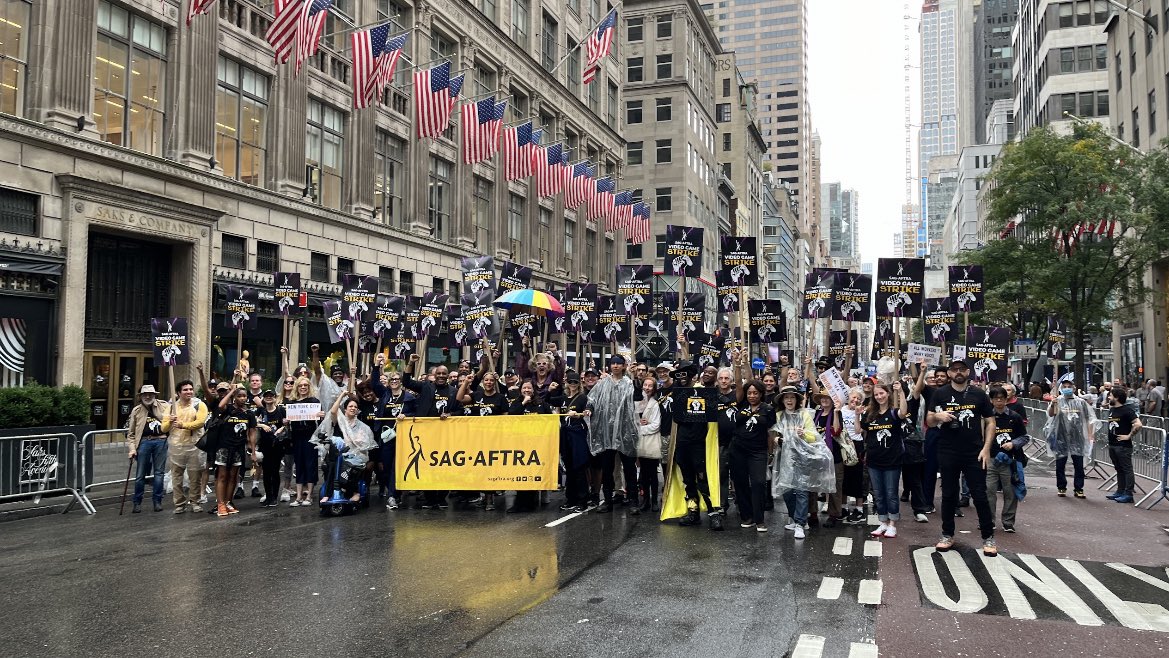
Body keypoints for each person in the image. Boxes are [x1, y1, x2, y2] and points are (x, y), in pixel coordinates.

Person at [926, 358, 998, 556]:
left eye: (962, 369)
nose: (958, 372)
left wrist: (986, 449)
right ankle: (947, 534)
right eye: (954, 369)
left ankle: (988, 537)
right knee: (949, 494)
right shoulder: (940, 393)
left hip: (974, 452)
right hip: (947, 450)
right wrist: (938, 417)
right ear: (949, 373)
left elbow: (991, 422)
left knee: (980, 495)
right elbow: (929, 421)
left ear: (968, 372)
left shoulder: (979, 394)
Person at [666, 360, 723, 530]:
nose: (681, 378)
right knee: (688, 480)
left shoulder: (704, 392)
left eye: (684, 374)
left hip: (699, 444)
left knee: (703, 479)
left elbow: (711, 415)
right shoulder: (678, 393)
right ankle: (693, 512)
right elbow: (677, 418)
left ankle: (714, 513)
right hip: (683, 443)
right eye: (678, 374)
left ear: (691, 374)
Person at [403, 354, 461, 509]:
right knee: (426, 464)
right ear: (434, 376)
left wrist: (450, 415)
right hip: (426, 435)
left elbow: (460, 411)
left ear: (448, 376)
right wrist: (410, 363)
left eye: (444, 374)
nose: (441, 376)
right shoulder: (425, 387)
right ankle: (429, 498)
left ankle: (441, 498)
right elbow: (406, 381)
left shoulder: (453, 391)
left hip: (445, 436)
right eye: (439, 374)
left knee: (444, 465)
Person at [585, 355, 638, 513]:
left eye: (618, 364)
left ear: (624, 366)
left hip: (625, 433)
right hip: (607, 434)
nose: (615, 366)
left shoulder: (629, 383)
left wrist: (634, 377)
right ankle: (607, 501)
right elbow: (592, 399)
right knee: (607, 469)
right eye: (613, 363)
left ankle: (633, 502)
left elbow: (638, 397)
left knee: (629, 469)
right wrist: (589, 409)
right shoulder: (602, 384)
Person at [772, 385, 821, 539]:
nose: (789, 400)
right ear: (782, 400)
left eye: (792, 397)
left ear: (797, 400)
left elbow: (814, 437)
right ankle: (794, 517)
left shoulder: (804, 415)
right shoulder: (778, 415)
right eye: (786, 397)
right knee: (786, 491)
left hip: (801, 458)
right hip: (783, 459)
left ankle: (800, 523)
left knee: (801, 490)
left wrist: (804, 434)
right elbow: (773, 435)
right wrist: (777, 439)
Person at [862, 381, 908, 538]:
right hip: (874, 460)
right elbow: (858, 429)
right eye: (876, 394)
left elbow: (903, 412)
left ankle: (892, 524)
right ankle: (882, 522)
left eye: (882, 393)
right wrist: (856, 414)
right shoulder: (871, 414)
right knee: (878, 494)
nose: (879, 396)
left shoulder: (894, 413)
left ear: (888, 394)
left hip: (892, 461)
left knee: (891, 493)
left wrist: (901, 391)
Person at [730, 380, 777, 531]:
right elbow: (738, 385)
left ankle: (759, 519)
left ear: (761, 394)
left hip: (758, 451)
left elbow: (771, 432)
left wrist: (771, 452)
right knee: (740, 483)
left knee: (758, 483)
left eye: (755, 393)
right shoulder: (740, 405)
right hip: (738, 450)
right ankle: (746, 516)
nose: (752, 396)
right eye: (749, 393)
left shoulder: (768, 409)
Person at [319, 389, 377, 504]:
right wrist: (342, 395)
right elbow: (333, 412)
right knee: (332, 465)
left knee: (354, 466)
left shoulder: (362, 427)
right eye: (350, 406)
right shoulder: (339, 422)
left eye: (355, 407)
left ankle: (355, 492)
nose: (353, 408)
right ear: (345, 409)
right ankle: (328, 494)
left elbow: (366, 442)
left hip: (354, 455)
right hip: (337, 454)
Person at [1047, 373, 1097, 498]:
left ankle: (1079, 488)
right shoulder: (1057, 401)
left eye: (1069, 386)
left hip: (1077, 437)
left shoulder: (1081, 402)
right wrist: (1053, 404)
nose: (1067, 388)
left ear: (1074, 388)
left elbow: (1089, 418)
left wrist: (1090, 435)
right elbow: (1051, 414)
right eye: (1065, 386)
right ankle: (1061, 487)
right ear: (1061, 388)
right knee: (1060, 464)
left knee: (1078, 464)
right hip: (1061, 436)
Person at [506, 381, 553, 512]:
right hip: (520, 443)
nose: (527, 390)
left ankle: (530, 502)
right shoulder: (516, 402)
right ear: (521, 390)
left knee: (533, 473)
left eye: (529, 388)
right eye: (524, 388)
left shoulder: (541, 403)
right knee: (521, 474)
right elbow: (512, 416)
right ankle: (519, 503)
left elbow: (550, 420)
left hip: (537, 444)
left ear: (533, 390)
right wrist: (523, 403)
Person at [987, 385, 1029, 532]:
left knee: (1010, 492)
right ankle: (988, 520)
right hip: (990, 459)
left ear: (1006, 400)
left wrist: (1013, 443)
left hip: (1010, 460)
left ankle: (1008, 522)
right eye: (996, 399)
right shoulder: (986, 417)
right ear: (991, 400)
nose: (999, 401)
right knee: (989, 491)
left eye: (1002, 399)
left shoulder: (1014, 416)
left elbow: (1024, 437)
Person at [214, 384, 258, 518]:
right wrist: (231, 390)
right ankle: (220, 503)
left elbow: (251, 433)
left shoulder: (249, 414)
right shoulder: (228, 409)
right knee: (222, 476)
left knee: (234, 476)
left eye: (244, 396)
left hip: (239, 448)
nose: (242, 398)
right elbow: (220, 406)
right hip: (224, 447)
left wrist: (253, 451)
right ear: (234, 397)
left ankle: (228, 502)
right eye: (239, 396)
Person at [127, 384, 172, 513]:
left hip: (160, 441)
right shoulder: (136, 411)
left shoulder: (164, 407)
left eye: (150, 394)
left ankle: (157, 501)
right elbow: (131, 434)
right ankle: (137, 502)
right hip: (144, 443)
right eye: (145, 394)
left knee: (159, 473)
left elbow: (173, 420)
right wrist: (132, 448)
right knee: (140, 475)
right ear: (140, 396)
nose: (148, 396)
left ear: (155, 395)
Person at [167, 380, 208, 514]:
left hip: (194, 445)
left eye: (190, 389)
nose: (189, 391)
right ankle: (179, 504)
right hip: (176, 446)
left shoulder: (199, 405)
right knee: (176, 477)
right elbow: (163, 427)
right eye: (185, 390)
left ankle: (195, 502)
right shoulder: (171, 406)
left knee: (195, 476)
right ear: (178, 393)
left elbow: (200, 422)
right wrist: (170, 422)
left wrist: (183, 425)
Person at [284, 376, 323, 507]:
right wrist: (285, 422)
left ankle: (309, 495)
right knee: (299, 465)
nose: (303, 387)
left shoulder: (314, 401)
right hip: (296, 436)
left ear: (309, 387)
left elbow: (322, 423)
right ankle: (299, 496)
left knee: (310, 464)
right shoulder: (291, 403)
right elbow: (286, 423)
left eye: (305, 385)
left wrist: (321, 416)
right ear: (297, 387)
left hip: (310, 436)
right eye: (300, 385)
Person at [559, 371, 592, 512]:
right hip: (565, 434)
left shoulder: (583, 397)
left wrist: (582, 414)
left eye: (575, 382)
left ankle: (582, 500)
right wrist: (551, 388)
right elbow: (547, 399)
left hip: (577, 435)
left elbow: (589, 408)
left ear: (580, 383)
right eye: (570, 382)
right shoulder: (563, 398)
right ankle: (570, 499)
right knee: (569, 468)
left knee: (579, 468)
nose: (572, 385)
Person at [811, 391, 844, 527]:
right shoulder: (816, 414)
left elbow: (836, 431)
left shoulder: (837, 413)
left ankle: (833, 515)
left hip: (834, 456)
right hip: (817, 456)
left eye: (827, 398)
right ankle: (812, 513)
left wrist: (836, 412)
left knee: (835, 486)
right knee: (812, 486)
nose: (824, 400)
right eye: (822, 398)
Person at [1105, 388, 1142, 504]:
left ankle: (1128, 493)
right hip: (1113, 444)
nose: (1109, 397)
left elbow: (1138, 424)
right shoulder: (1112, 410)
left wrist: (1129, 436)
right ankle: (1120, 490)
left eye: (1110, 395)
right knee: (1119, 468)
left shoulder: (1127, 410)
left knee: (1126, 469)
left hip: (1123, 446)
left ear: (1116, 397)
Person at [839, 388, 867, 525]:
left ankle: (859, 509)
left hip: (856, 445)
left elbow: (859, 430)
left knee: (857, 477)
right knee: (843, 477)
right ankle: (843, 507)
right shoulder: (841, 410)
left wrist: (857, 415)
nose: (855, 400)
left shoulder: (863, 412)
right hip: (842, 444)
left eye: (858, 399)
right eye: (853, 397)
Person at [635, 375, 663, 512]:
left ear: (654, 388)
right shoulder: (637, 403)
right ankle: (645, 499)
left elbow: (656, 425)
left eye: (650, 386)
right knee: (643, 474)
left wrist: (641, 428)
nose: (647, 388)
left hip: (651, 441)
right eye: (645, 385)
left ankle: (654, 501)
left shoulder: (655, 404)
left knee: (652, 473)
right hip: (639, 442)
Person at [254, 389, 287, 507]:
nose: (269, 398)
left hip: (277, 445)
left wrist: (282, 428)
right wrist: (262, 425)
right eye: (266, 396)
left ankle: (274, 497)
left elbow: (287, 424)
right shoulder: (261, 411)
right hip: (264, 445)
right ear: (263, 398)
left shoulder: (281, 410)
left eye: (271, 396)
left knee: (275, 471)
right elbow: (252, 422)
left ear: (275, 397)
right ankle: (268, 496)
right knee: (266, 472)